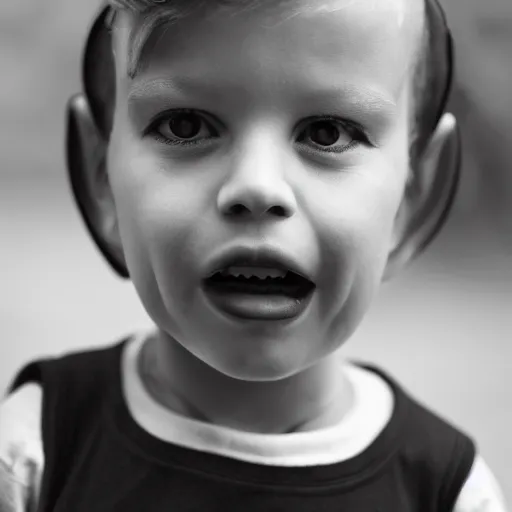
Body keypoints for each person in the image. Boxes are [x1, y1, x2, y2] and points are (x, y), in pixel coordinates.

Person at [0, 0, 507, 510]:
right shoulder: (30, 455)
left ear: (413, 198)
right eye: (185, 126)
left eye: (326, 133)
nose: (257, 187)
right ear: (101, 180)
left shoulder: (448, 493)